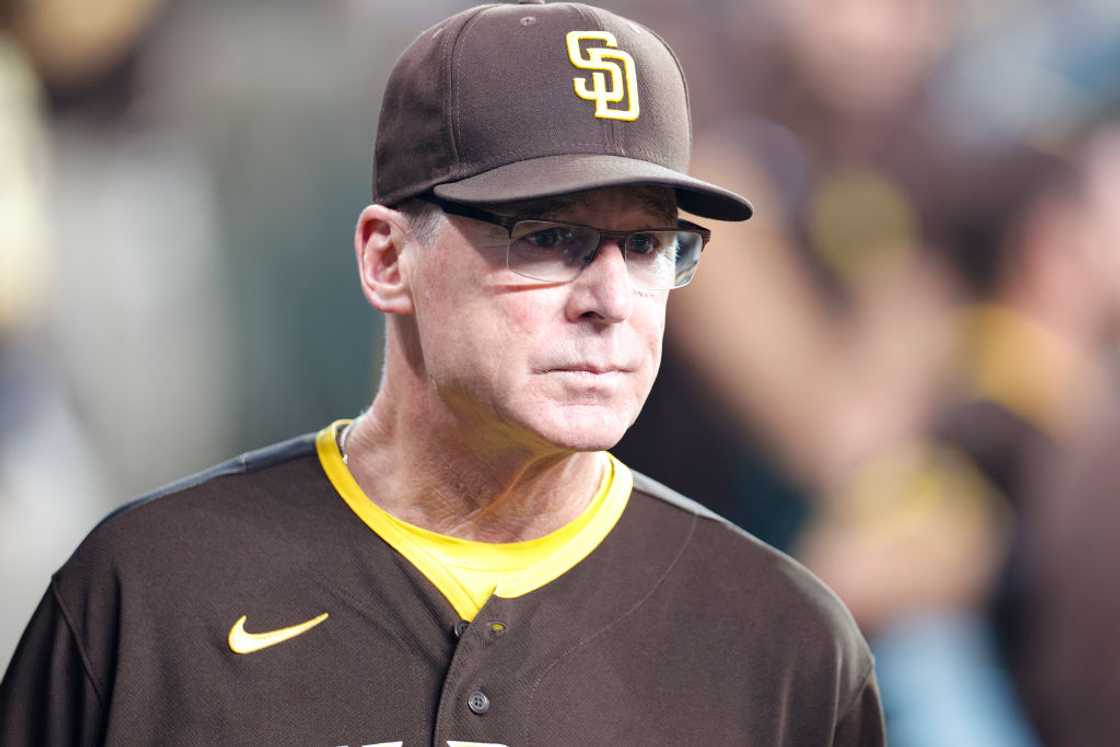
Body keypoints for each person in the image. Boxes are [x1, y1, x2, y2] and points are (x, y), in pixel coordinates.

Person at [0, 2, 883, 744]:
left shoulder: (784, 641)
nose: (611, 297)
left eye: (648, 245)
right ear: (388, 258)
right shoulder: (148, 593)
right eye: (551, 237)